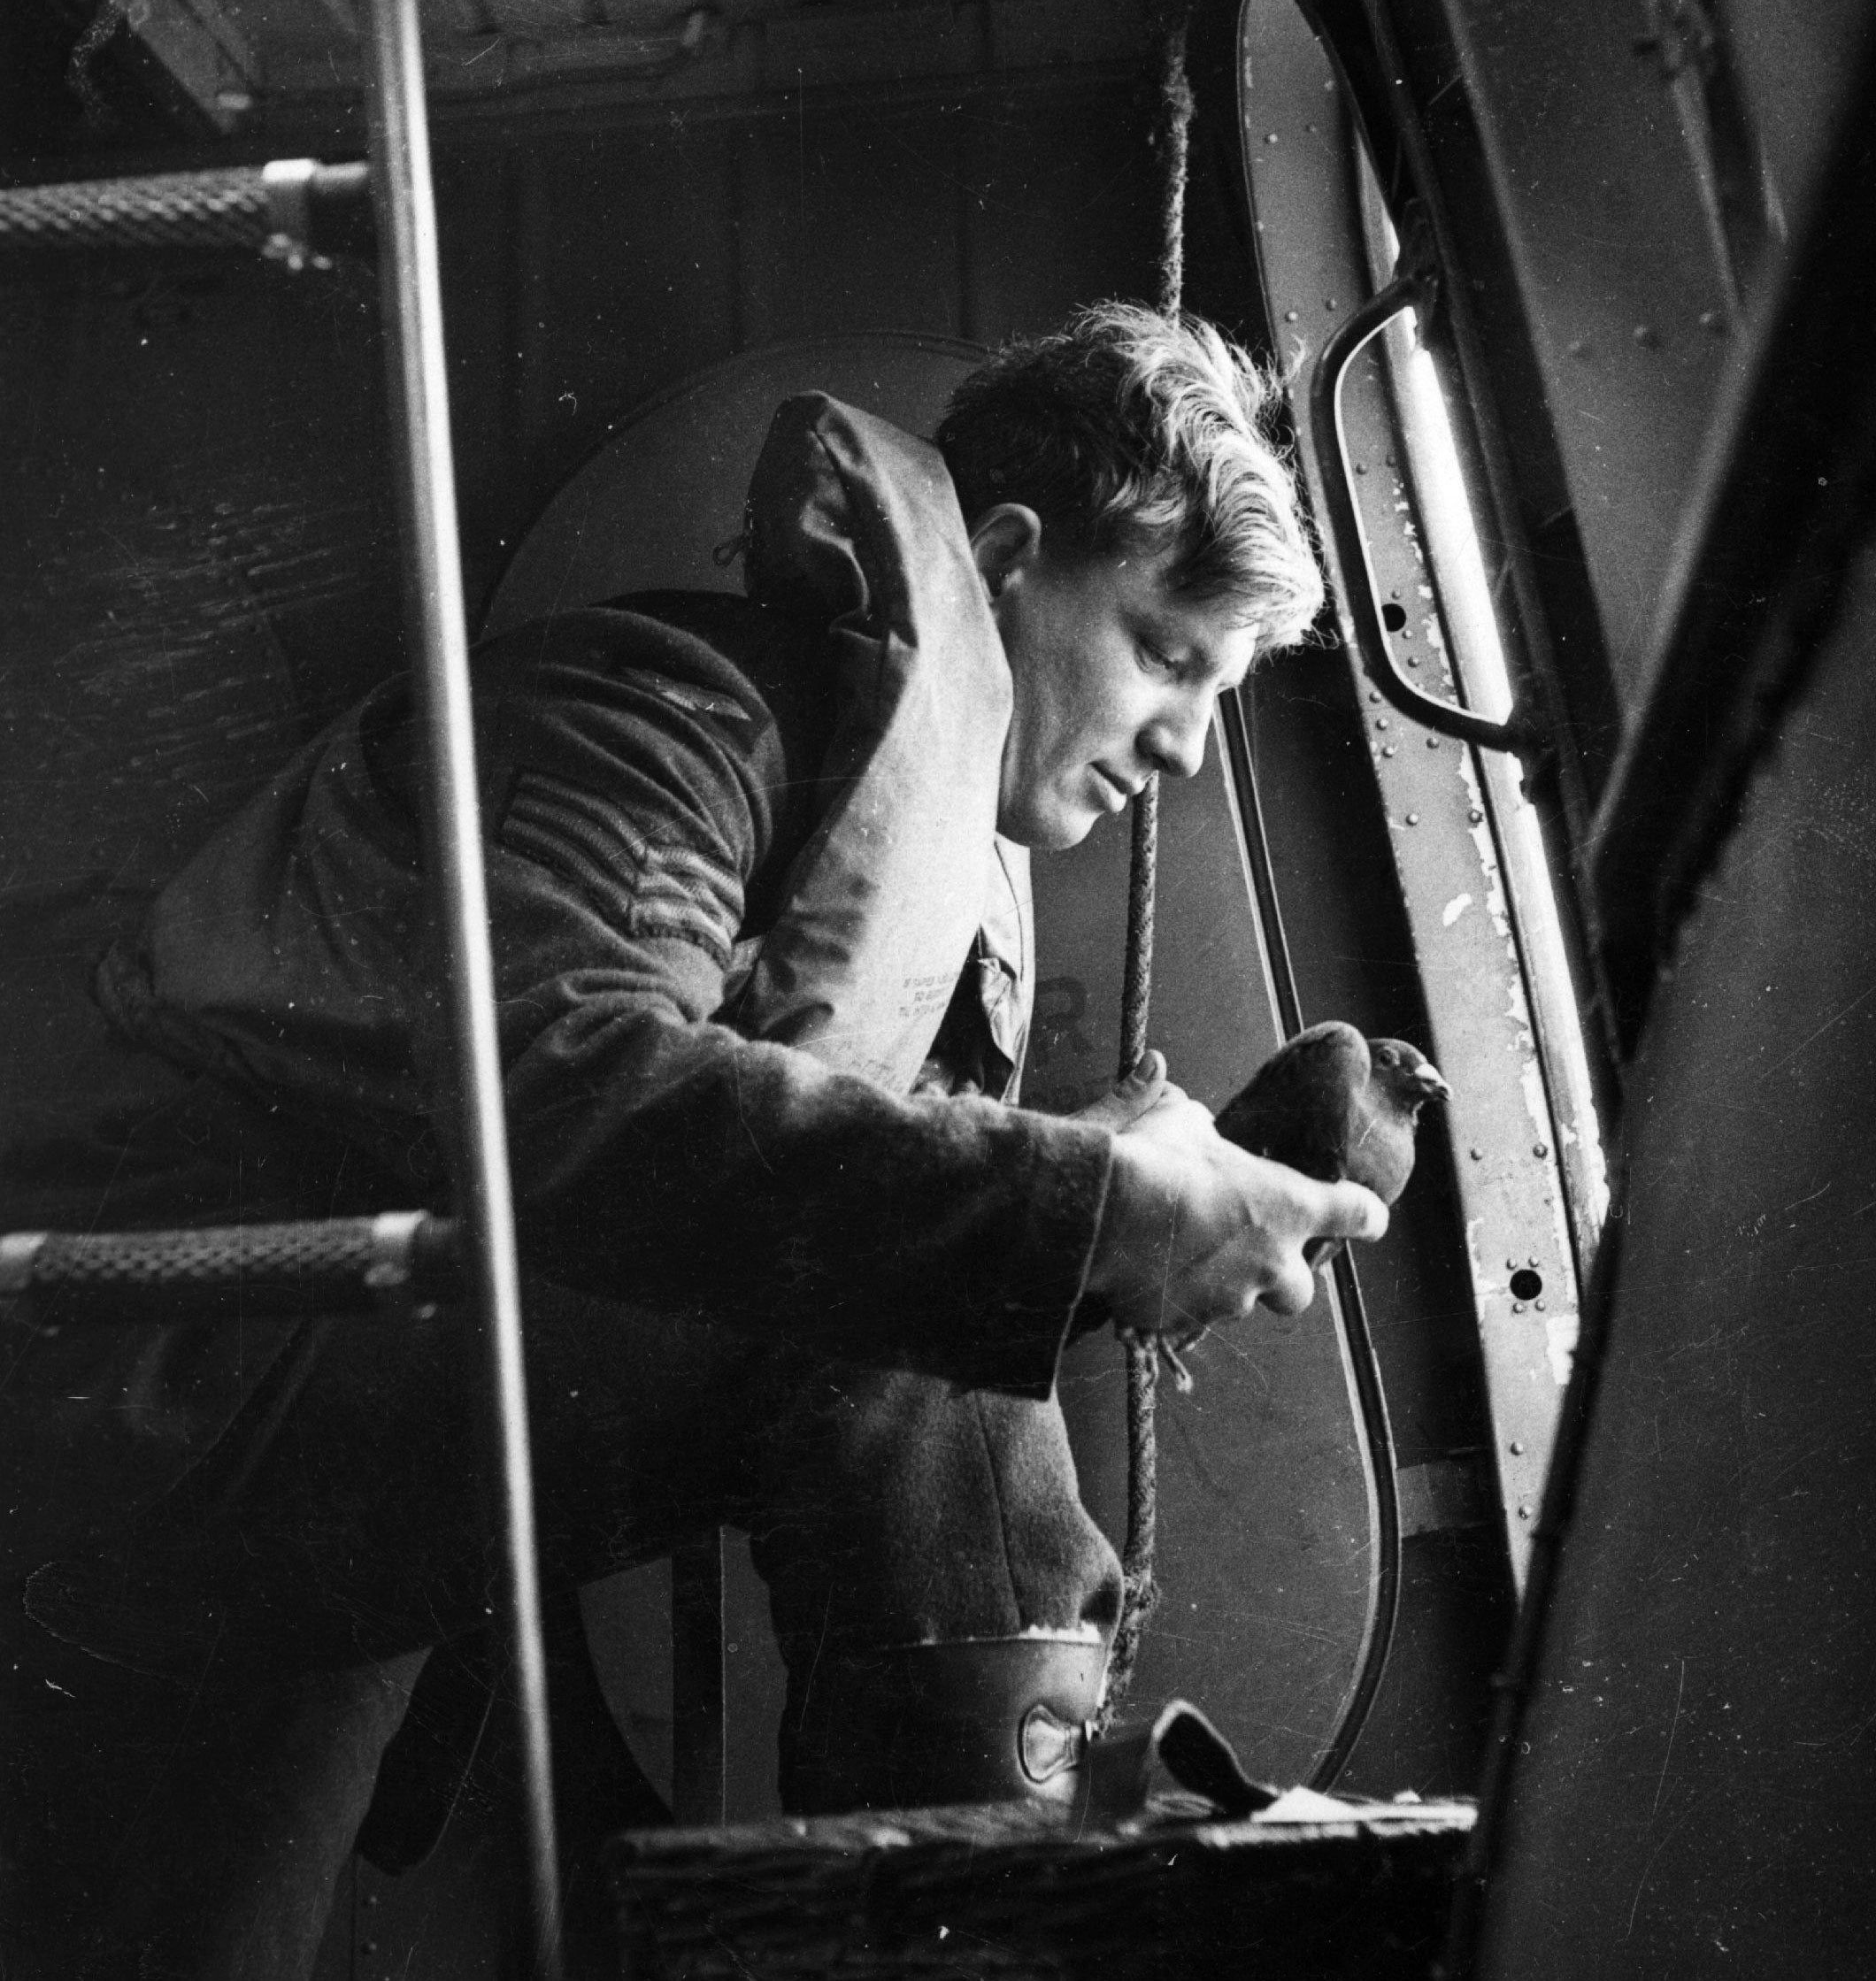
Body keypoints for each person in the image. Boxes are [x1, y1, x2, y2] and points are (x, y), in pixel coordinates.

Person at [0, 303, 1388, 1978]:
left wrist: (1112, 1193)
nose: (1181, 744)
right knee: (885, 1319)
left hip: (290, 1462)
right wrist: (1084, 1208)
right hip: (167, 1369)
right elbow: (571, 1086)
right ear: (1009, 559)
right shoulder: (660, 715)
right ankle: (995, 1928)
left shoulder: (883, 828)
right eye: (1168, 653)